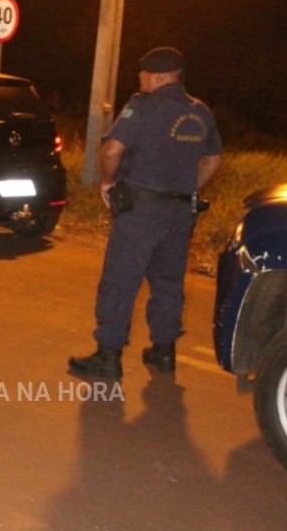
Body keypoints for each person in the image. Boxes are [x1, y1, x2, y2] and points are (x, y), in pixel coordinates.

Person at [67, 47, 223, 380]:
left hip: (142, 210)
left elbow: (111, 150)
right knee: (168, 283)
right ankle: (163, 352)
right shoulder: (201, 113)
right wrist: (188, 189)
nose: (140, 79)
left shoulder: (143, 106)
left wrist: (107, 183)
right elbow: (213, 160)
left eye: (142, 74)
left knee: (120, 282)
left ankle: (108, 357)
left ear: (157, 75)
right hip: (180, 212)